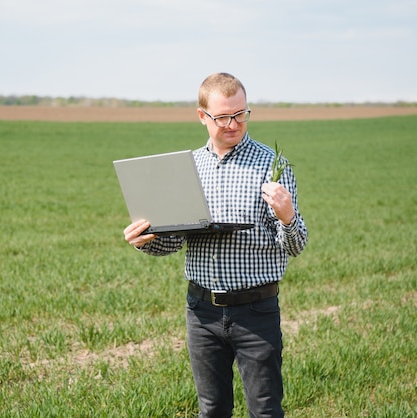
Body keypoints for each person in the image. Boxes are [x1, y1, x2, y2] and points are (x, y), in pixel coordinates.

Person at [123, 72, 308, 418]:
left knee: (266, 410)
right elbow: (174, 241)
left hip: (256, 311)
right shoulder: (188, 168)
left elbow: (294, 246)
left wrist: (288, 216)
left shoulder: (272, 166)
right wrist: (144, 241)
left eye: (240, 114)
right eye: (222, 117)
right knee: (211, 410)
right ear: (202, 116)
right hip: (201, 312)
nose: (233, 124)